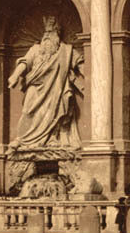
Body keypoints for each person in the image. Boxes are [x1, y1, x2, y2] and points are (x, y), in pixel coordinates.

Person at [7, 16, 83, 149]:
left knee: (62, 102)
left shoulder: (66, 50)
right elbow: (25, 63)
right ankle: (22, 139)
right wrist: (15, 75)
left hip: (56, 88)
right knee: (27, 110)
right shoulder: (35, 49)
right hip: (35, 87)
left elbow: (81, 65)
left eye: (51, 33)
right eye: (46, 34)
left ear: (57, 35)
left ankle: (55, 138)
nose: (47, 37)